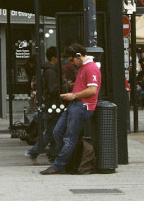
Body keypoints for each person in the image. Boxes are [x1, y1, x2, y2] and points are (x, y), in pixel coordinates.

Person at [41, 43, 100, 175]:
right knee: (57, 132)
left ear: (78, 56)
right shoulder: (84, 68)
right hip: (76, 104)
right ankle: (65, 161)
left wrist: (74, 95)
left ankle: (59, 165)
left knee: (69, 137)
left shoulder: (91, 68)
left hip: (82, 105)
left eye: (72, 59)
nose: (72, 63)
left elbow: (92, 90)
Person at [26, 47, 63, 162]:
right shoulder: (51, 71)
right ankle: (33, 152)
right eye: (59, 57)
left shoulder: (45, 69)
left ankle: (53, 155)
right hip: (52, 105)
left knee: (53, 130)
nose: (61, 59)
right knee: (51, 132)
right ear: (54, 58)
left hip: (48, 105)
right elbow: (53, 89)